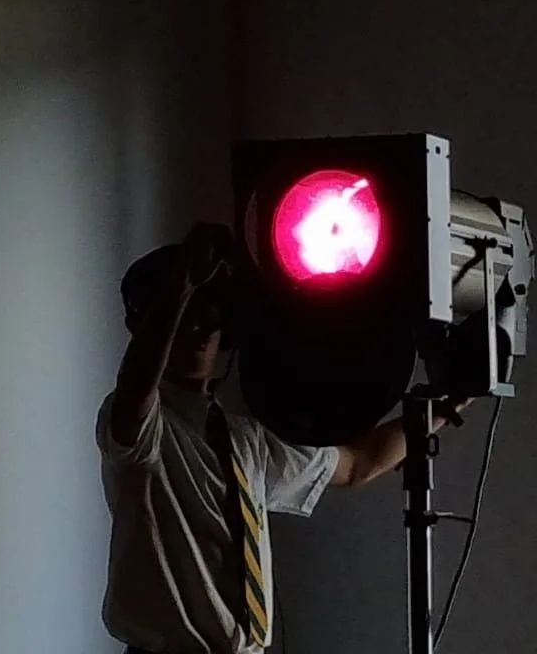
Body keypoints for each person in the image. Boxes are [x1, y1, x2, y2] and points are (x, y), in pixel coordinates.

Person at [97, 222, 466, 654]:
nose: (197, 326)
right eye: (182, 314)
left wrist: (451, 402)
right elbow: (136, 386)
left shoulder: (246, 440)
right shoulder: (140, 427)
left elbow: (356, 464)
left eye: (207, 310)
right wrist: (183, 280)